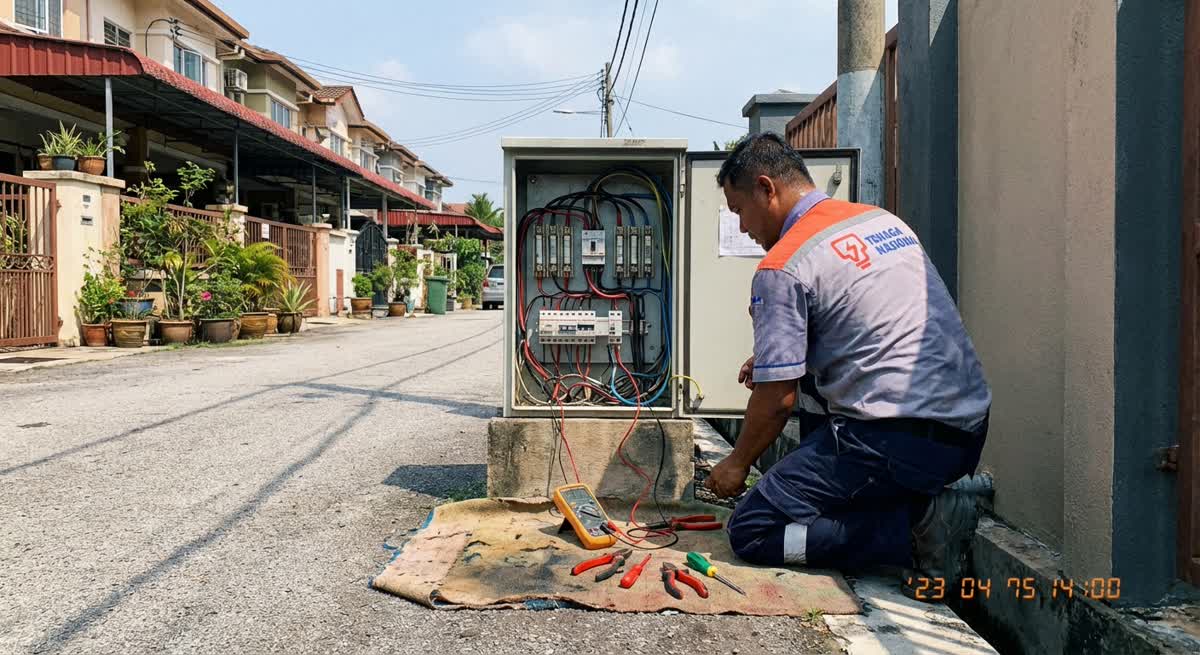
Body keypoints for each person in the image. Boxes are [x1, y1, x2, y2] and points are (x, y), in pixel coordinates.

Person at [704, 133, 992, 592]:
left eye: (739, 210)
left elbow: (777, 401)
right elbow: (874, 326)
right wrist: (773, 359)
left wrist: (736, 463)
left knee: (753, 529)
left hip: (893, 439)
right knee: (808, 395)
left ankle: (917, 526)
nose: (741, 228)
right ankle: (895, 505)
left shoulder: (783, 265)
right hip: (965, 430)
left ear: (766, 189)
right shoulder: (879, 221)